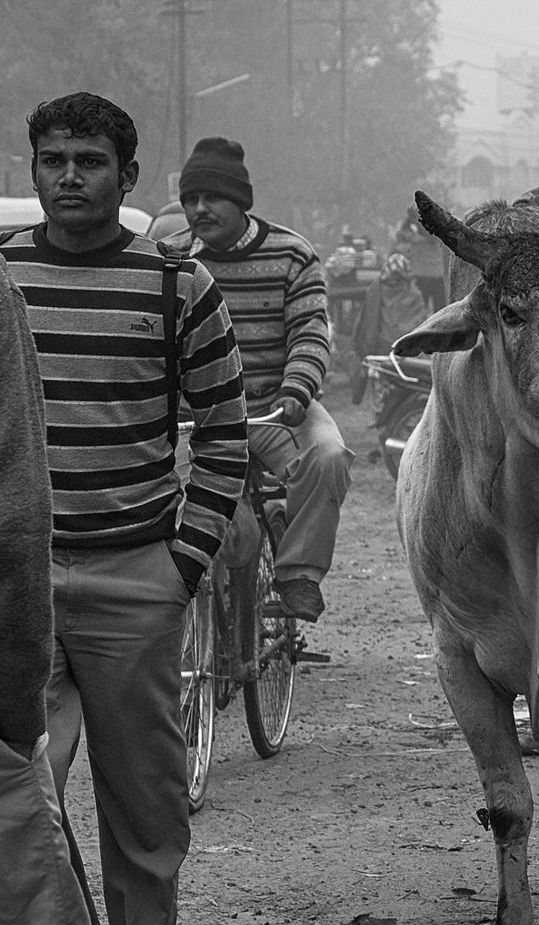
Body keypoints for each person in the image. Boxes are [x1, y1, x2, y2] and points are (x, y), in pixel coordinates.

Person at [0, 91, 248, 925]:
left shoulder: (180, 286)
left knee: (146, 827)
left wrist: (184, 560)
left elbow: (223, 430)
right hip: (14, 588)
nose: (67, 177)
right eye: (52, 159)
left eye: (88, 161)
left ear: (127, 178)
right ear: (34, 167)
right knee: (21, 818)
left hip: (137, 579)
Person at [0, 236, 137, 925]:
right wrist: (15, 713)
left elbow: (223, 423)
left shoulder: (174, 277)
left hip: (135, 555)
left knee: (324, 455)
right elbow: (6, 521)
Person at [175, 135, 353, 622]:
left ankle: (298, 572)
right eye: (191, 200)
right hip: (201, 417)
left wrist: (297, 390)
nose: (199, 209)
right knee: (213, 526)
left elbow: (310, 334)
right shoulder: (172, 262)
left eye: (211, 198)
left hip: (277, 405)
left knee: (329, 456)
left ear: (240, 201)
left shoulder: (293, 255)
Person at [349, 250, 433, 362]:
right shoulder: (414, 293)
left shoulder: (376, 290)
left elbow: (367, 325)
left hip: (383, 351)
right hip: (409, 352)